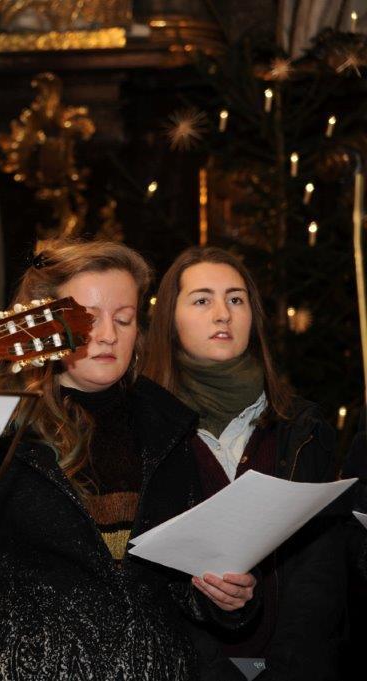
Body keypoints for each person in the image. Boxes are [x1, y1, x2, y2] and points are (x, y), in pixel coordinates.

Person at [0, 240, 257, 681]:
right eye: (89, 318)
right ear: (45, 324)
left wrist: (224, 598)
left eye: (124, 319)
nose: (108, 335)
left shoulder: (167, 428)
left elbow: (184, 582)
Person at [142, 246, 345, 680]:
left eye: (236, 299)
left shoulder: (302, 428)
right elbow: (147, 585)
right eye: (202, 300)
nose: (223, 314)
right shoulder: (143, 429)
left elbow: (319, 574)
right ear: (170, 321)